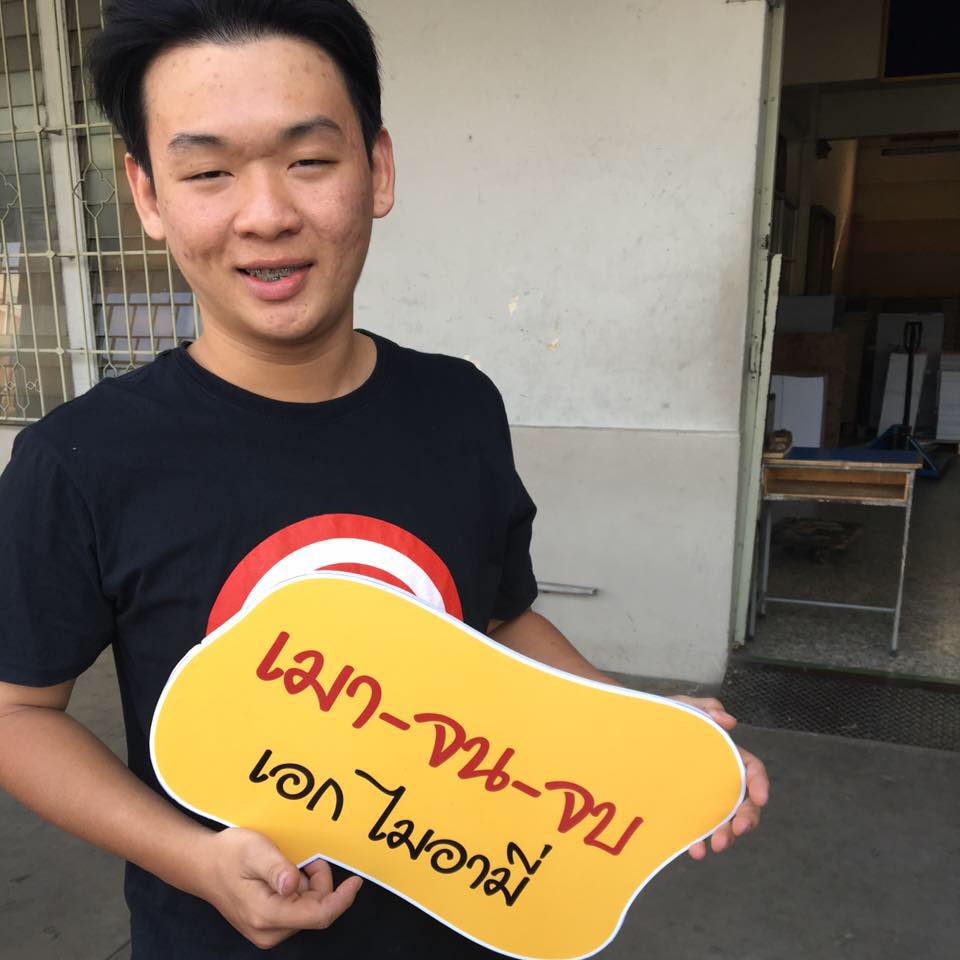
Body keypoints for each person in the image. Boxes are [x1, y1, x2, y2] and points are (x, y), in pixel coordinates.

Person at [0, 2, 768, 957]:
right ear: (149, 195)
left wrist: (641, 738)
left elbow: (497, 622)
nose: (267, 214)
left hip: (479, 913)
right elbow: (18, 715)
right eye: (208, 172)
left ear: (379, 170)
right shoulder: (80, 460)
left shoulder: (458, 407)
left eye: (309, 159)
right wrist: (189, 859)